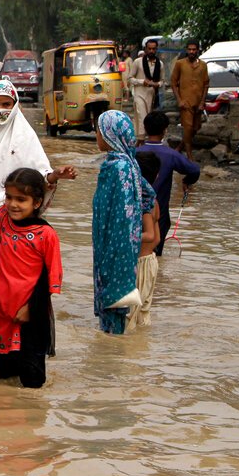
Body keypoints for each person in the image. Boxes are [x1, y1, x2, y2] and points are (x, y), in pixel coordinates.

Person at [0, 80, 76, 296]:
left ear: (15, 105)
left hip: (16, 222)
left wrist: (55, 175)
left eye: (6, 104)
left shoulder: (24, 135)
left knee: (17, 284)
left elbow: (39, 173)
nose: (1, 110)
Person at [0, 168, 63, 388]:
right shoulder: (2, 219)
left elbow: (51, 275)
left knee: (33, 380)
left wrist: (30, 307)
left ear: (37, 203)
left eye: (21, 199)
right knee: (5, 375)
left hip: (32, 311)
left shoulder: (46, 234)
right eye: (8, 197)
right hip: (3, 308)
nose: (13, 204)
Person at [92, 110, 155, 335]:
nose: (96, 135)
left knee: (114, 310)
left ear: (110, 134)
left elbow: (122, 215)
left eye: (99, 131)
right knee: (117, 311)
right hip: (118, 246)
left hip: (115, 247)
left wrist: (115, 253)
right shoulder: (129, 163)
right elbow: (149, 194)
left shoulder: (118, 168)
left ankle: (113, 359)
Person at [136, 111, 200, 255]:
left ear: (145, 129)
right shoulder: (171, 154)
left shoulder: (134, 153)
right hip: (159, 214)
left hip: (134, 211)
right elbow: (194, 170)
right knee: (154, 253)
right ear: (165, 131)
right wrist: (186, 181)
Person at [127, 152, 161, 331]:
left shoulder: (143, 202)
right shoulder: (154, 202)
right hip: (150, 261)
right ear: (156, 176)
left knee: (130, 315)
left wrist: (125, 237)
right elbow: (157, 239)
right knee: (143, 313)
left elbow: (148, 235)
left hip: (140, 264)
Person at [170, 41, 210, 159]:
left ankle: (179, 147)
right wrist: (179, 100)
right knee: (187, 128)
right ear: (186, 50)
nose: (191, 52)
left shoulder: (203, 65)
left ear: (197, 50)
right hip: (185, 103)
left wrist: (202, 102)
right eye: (189, 49)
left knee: (195, 128)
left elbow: (206, 84)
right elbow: (173, 83)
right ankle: (189, 156)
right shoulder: (180, 64)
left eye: (194, 49)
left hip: (198, 103)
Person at [127, 39, 164, 141]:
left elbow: (162, 81)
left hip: (151, 95)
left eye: (153, 49)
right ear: (145, 49)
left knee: (148, 118)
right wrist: (142, 81)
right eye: (149, 49)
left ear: (156, 49)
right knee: (141, 115)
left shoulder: (159, 64)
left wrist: (157, 84)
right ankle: (141, 140)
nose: (151, 51)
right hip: (139, 93)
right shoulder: (138, 62)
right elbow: (130, 78)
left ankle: (143, 140)